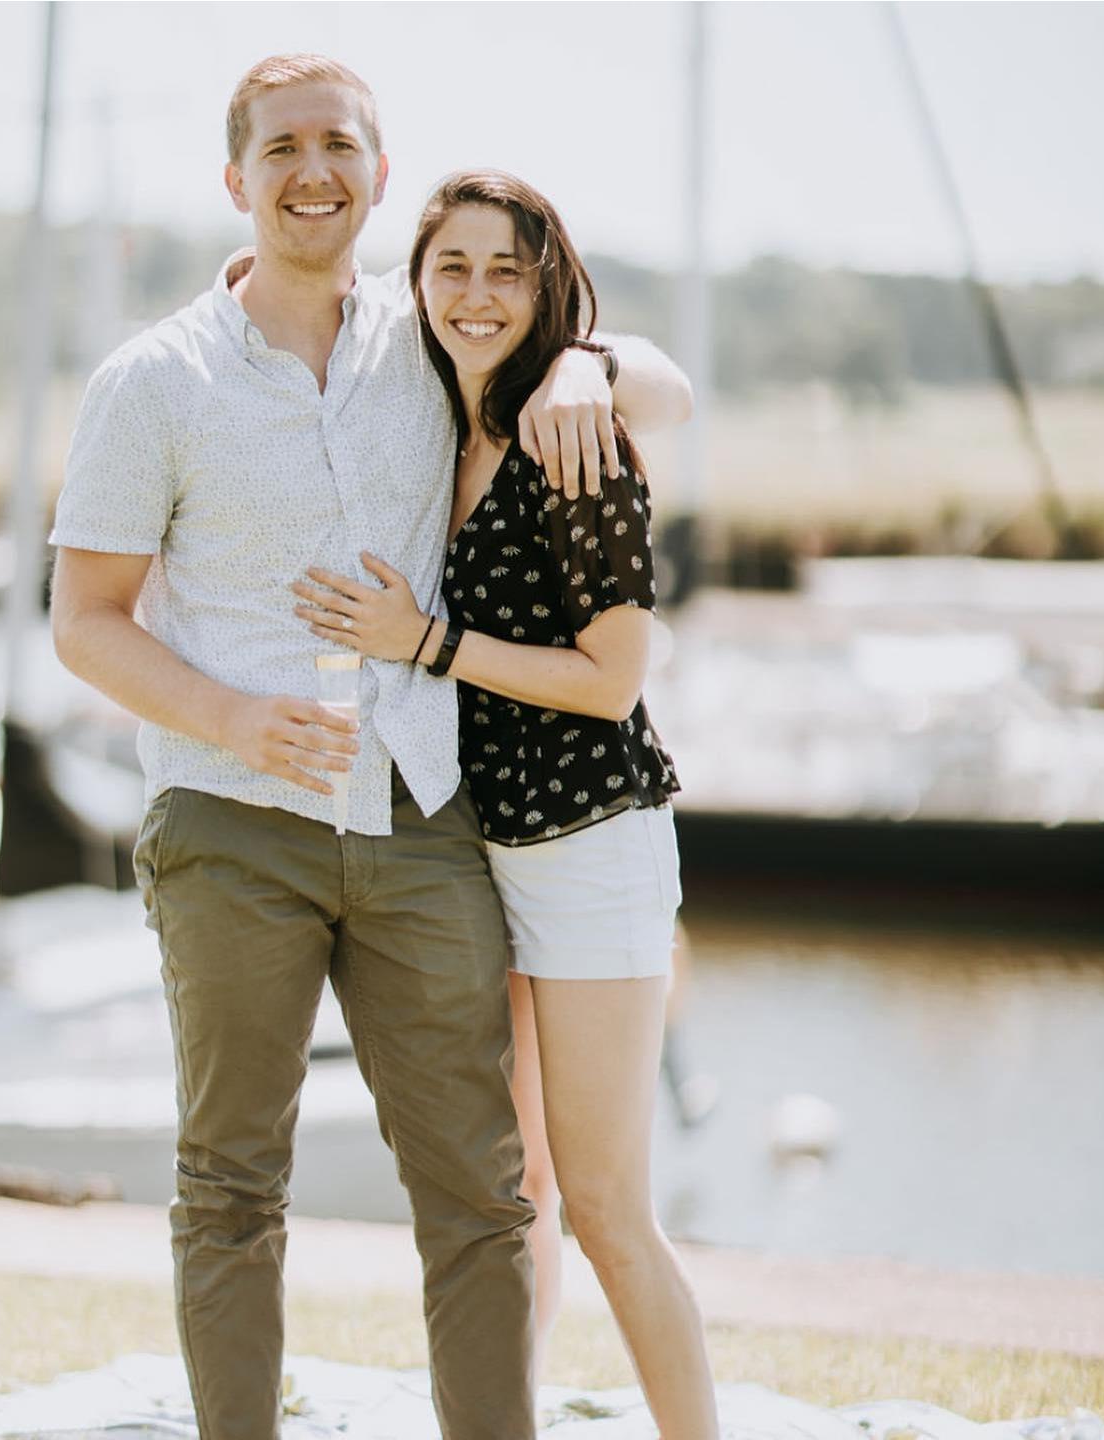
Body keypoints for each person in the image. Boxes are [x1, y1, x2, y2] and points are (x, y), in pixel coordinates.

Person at [49, 54, 690, 1440]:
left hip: (422, 819)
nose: (313, 170)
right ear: (237, 179)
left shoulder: (431, 341)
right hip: (231, 824)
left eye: (340, 144)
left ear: (377, 175)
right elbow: (85, 624)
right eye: (282, 148)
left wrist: (583, 361)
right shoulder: (150, 383)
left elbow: (662, 386)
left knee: (481, 1191)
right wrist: (227, 716)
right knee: (232, 1185)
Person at [293, 170, 718, 1438]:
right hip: (485, 848)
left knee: (607, 1211)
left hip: (591, 849)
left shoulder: (564, 431)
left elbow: (615, 680)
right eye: (452, 268)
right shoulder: (438, 424)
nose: (477, 295)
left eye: (507, 270)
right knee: (520, 1195)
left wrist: (427, 643)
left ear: (547, 287)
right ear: (415, 285)